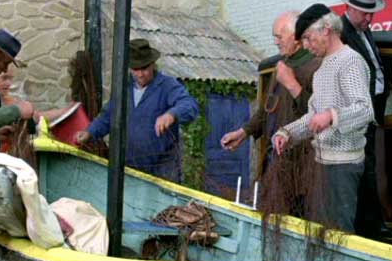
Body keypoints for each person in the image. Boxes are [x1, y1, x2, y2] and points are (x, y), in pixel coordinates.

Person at [272, 4, 374, 233]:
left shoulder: (350, 61)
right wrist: (288, 132)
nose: (306, 46)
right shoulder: (322, 69)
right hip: (321, 165)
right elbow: (312, 116)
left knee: (339, 236)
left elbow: (365, 110)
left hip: (343, 167)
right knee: (322, 234)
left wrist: (331, 116)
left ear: (326, 29)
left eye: (308, 38)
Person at [221, 11, 321, 215]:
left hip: (304, 168)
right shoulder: (282, 66)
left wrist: (292, 84)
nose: (275, 42)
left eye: (279, 36)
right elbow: (268, 109)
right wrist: (244, 132)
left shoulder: (316, 67)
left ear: (296, 37)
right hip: (277, 163)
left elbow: (318, 116)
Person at [75, 39, 200, 183]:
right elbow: (108, 116)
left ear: (153, 64)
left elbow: (190, 105)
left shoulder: (167, 85)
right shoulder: (123, 87)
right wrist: (90, 132)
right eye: (135, 69)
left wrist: (171, 114)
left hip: (163, 170)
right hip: (129, 166)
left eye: (144, 68)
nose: (140, 74)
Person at [340, 0, 391, 238]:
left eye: (371, 14)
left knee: (372, 169)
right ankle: (370, 227)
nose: (369, 18)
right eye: (364, 13)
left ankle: (373, 225)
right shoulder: (341, 34)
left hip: (372, 113)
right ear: (349, 9)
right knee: (364, 171)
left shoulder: (364, 32)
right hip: (356, 116)